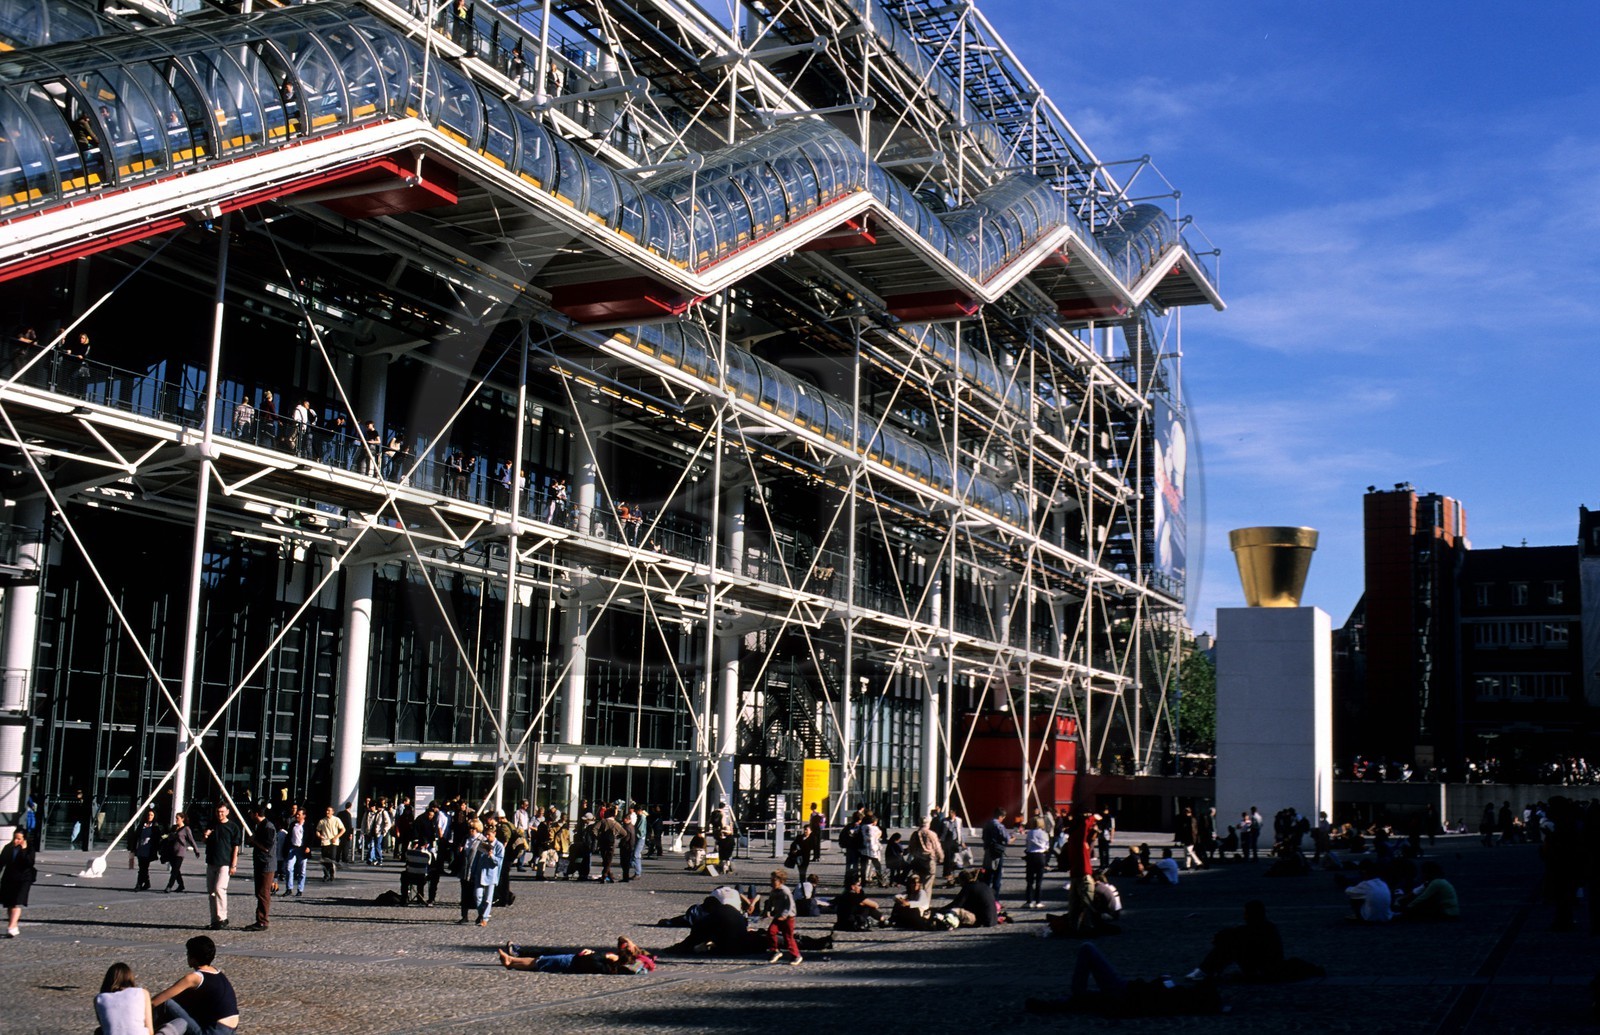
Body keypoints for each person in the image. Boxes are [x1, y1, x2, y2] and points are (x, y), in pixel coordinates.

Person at [150, 936, 238, 1035]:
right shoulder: (218, 974)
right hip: (230, 1030)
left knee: (165, 1003)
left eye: (188, 953)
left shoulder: (194, 978)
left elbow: (156, 1001)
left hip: (212, 1032)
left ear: (193, 958)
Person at [497, 935, 653, 974]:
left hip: (571, 963)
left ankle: (511, 962)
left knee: (539, 962)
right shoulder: (616, 963)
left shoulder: (609, 965)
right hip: (573, 960)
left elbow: (591, 959)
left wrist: (607, 957)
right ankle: (512, 960)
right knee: (540, 959)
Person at [201, 804, 240, 931]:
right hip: (211, 861)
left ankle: (222, 917)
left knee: (219, 889)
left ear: (227, 812)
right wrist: (206, 835)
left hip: (225, 862)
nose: (220, 814)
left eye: (222, 812)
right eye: (218, 811)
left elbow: (235, 847)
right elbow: (204, 841)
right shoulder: (212, 825)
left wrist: (233, 864)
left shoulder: (233, 827)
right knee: (211, 892)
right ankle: (214, 920)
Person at [241, 802, 276, 932]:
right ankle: (260, 918)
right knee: (259, 892)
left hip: (266, 864)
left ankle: (262, 921)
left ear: (256, 814)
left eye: (251, 812)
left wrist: (253, 841)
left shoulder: (268, 827)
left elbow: (267, 847)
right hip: (260, 863)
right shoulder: (260, 826)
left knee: (263, 893)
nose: (249, 815)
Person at [95, 962, 154, 1035]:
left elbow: (105, 1025)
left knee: (98, 1031)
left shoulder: (99, 998)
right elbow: (150, 1031)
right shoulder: (142, 993)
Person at [2, 827, 37, 937]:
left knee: (17, 901)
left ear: (24, 839)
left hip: (23, 879)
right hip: (9, 877)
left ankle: (11, 926)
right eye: (14, 838)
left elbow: (29, 863)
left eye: (18, 839)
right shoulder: (9, 848)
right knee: (9, 903)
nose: (15, 841)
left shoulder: (30, 849)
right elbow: (1, 861)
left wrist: (23, 850)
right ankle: (13, 924)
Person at [934, 868, 998, 928]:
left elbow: (956, 904)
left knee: (956, 911)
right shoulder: (983, 885)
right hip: (994, 920)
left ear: (963, 881)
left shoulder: (968, 887)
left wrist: (941, 910)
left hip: (983, 921)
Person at [763, 868, 802, 965]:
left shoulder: (785, 891)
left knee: (788, 937)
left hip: (788, 918)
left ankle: (796, 955)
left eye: (774, 880)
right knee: (771, 931)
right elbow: (770, 902)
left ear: (780, 881)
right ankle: (775, 951)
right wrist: (766, 911)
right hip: (778, 916)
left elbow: (790, 905)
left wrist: (784, 915)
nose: (772, 882)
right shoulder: (773, 891)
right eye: (771, 880)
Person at [161, 812, 199, 893]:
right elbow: (168, 837)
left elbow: (191, 840)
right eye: (176, 818)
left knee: (174, 870)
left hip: (180, 852)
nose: (176, 820)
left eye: (177, 818)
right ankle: (181, 885)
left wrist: (196, 850)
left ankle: (169, 886)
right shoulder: (174, 828)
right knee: (176, 870)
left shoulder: (186, 829)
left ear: (182, 819)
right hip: (172, 851)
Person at [982, 807, 1012, 897]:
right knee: (997, 877)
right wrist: (1012, 838)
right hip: (997, 852)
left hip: (988, 851)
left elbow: (983, 837)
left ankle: (985, 897)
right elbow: (1007, 839)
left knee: (987, 876)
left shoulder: (987, 824)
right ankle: (995, 900)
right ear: (1000, 816)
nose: (1003, 819)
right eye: (1003, 817)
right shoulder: (999, 826)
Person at [132, 808, 163, 892]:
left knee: (143, 868)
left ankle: (138, 884)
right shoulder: (142, 825)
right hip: (140, 849)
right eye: (148, 815)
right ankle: (147, 882)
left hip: (149, 850)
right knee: (143, 867)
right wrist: (133, 848)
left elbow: (157, 839)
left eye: (151, 815)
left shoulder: (155, 827)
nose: (150, 816)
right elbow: (135, 837)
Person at [280, 807, 308, 897]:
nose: (297, 816)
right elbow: (289, 837)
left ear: (304, 816)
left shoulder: (307, 825)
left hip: (302, 849)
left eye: (299, 814)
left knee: (302, 870)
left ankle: (300, 889)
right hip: (292, 848)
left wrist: (308, 847)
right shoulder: (293, 825)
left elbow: (310, 837)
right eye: (297, 814)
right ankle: (289, 888)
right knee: (289, 868)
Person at [1022, 815, 1050, 908]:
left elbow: (1027, 844)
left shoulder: (1030, 833)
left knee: (1029, 880)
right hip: (1041, 856)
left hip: (1031, 856)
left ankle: (1029, 901)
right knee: (1039, 880)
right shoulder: (1044, 834)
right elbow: (1047, 846)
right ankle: (1038, 901)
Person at [316, 805, 345, 881]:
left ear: (333, 812)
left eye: (329, 810)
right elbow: (317, 830)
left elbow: (343, 829)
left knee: (332, 859)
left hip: (333, 842)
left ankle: (332, 874)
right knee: (324, 859)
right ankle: (326, 874)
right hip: (325, 842)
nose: (327, 812)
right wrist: (319, 835)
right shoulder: (322, 821)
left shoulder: (336, 820)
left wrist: (336, 837)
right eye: (327, 810)